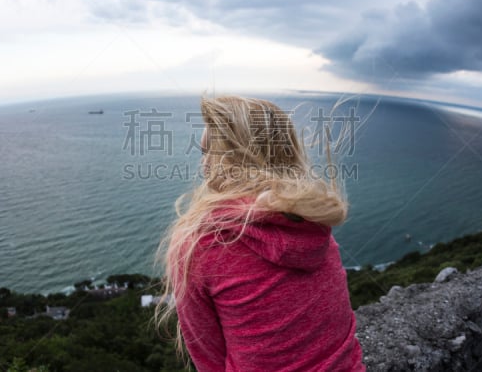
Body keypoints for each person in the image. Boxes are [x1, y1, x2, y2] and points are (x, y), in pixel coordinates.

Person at [156, 96, 365, 371]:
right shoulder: (313, 224)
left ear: (235, 160)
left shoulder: (202, 243)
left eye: (208, 152)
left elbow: (209, 358)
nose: (203, 164)